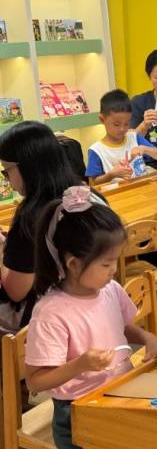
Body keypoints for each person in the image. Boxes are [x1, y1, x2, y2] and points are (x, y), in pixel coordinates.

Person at [25, 186, 157, 449]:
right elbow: (36, 380)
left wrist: (150, 339)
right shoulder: (51, 312)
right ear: (74, 264)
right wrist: (80, 365)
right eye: (106, 264)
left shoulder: (109, 289)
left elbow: (122, 326)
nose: (114, 271)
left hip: (120, 394)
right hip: (77, 414)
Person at [0, 121, 87, 330]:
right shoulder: (86, 195)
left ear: (26, 166)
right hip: (89, 305)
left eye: (7, 172)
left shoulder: (31, 217)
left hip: (45, 320)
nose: (8, 180)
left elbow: (16, 291)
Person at [86, 89, 157, 184]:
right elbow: (93, 183)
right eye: (116, 124)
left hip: (143, 188)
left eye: (127, 123)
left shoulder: (134, 138)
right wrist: (111, 175)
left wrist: (144, 149)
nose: (122, 129)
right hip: (119, 192)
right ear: (102, 119)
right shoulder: (97, 150)